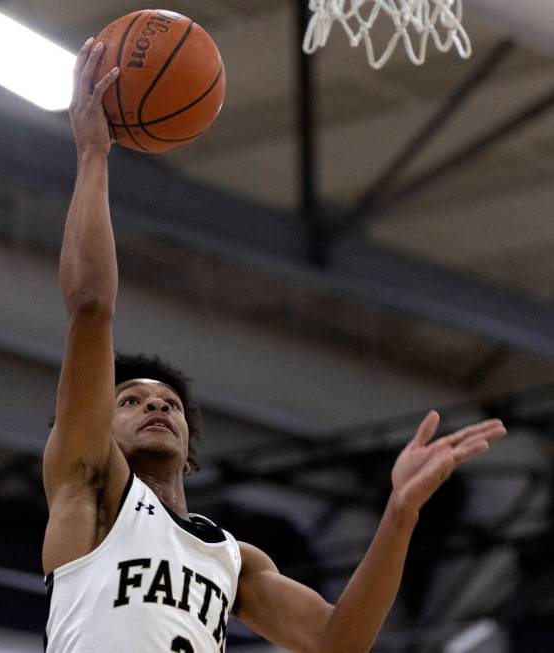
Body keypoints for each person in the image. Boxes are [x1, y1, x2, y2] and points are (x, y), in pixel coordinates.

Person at [41, 38, 507, 653]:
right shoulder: (89, 486)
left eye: (169, 403)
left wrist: (399, 513)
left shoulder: (233, 558)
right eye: (129, 400)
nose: (156, 406)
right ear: (96, 422)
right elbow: (91, 309)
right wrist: (94, 153)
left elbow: (339, 641)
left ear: (189, 450)